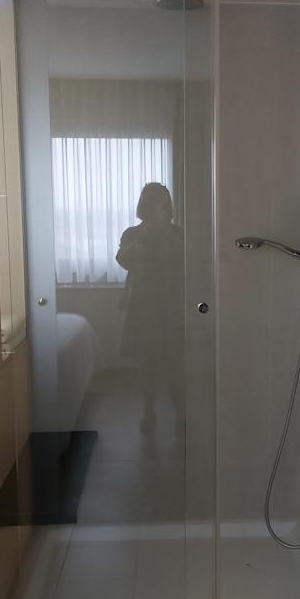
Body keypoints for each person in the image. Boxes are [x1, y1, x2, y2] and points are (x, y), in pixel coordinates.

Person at [116, 183, 184, 434]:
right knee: (147, 364)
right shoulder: (133, 234)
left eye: (161, 204)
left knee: (176, 363)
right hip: (143, 307)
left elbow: (185, 261)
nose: (157, 209)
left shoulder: (177, 234)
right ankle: (149, 411)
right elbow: (123, 259)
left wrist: (164, 235)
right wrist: (146, 236)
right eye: (151, 203)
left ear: (167, 206)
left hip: (172, 307)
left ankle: (180, 413)